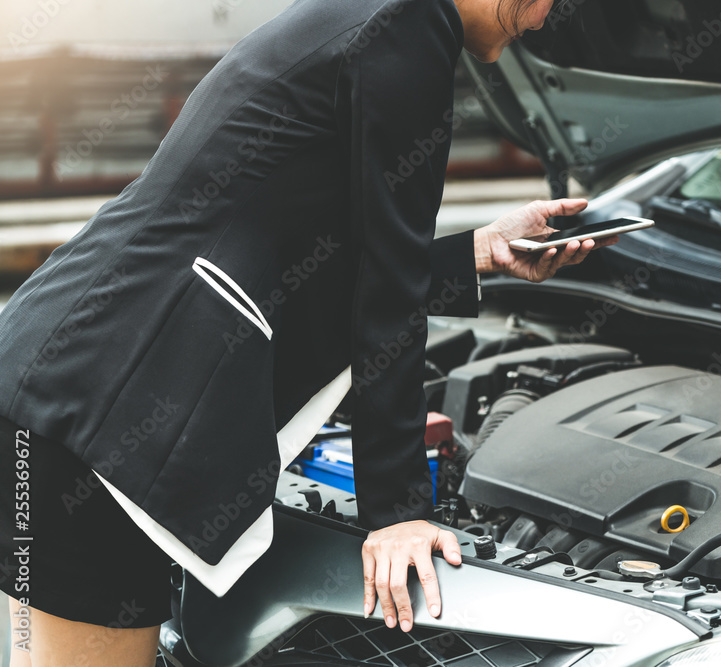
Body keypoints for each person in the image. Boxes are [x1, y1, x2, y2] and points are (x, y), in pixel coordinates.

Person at [0, 0, 617, 664]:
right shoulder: (406, 36)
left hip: (58, 375)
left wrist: (477, 251)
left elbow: (303, 244)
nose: (553, 15)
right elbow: (386, 288)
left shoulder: (372, 15)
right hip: (100, 423)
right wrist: (399, 510)